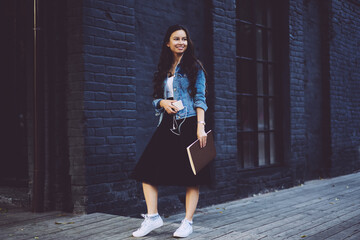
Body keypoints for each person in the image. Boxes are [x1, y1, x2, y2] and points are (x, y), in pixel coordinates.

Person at [130, 24, 212, 238]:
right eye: (176, 39)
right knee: (146, 170)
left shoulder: (195, 67)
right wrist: (162, 104)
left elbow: (200, 100)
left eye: (184, 39)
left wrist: (200, 128)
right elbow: (155, 99)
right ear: (168, 42)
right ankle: (153, 217)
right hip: (167, 124)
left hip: (191, 123)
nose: (181, 42)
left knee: (192, 176)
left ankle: (187, 222)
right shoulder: (163, 69)